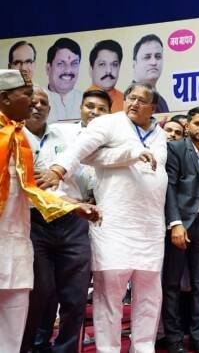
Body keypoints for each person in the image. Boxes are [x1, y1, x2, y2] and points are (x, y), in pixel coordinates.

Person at [39, 82, 167, 352]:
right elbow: (83, 151)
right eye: (130, 97)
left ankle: (143, 347)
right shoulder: (109, 122)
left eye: (142, 101)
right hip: (114, 225)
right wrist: (59, 170)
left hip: (151, 226)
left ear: (153, 108)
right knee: (110, 295)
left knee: (150, 296)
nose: (133, 103)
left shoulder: (160, 134)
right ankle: (108, 349)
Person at [0, 69, 99, 353]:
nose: (33, 102)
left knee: (15, 321)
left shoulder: (17, 137)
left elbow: (30, 188)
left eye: (36, 96)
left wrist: (73, 206)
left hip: (18, 242)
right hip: (19, 233)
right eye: (26, 95)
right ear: (5, 98)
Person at [20, 86, 109, 353]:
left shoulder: (68, 133)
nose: (37, 106)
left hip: (74, 222)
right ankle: (35, 346)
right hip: (34, 222)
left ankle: (66, 348)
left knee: (75, 294)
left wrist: (92, 197)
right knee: (40, 292)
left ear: (50, 107)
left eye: (43, 102)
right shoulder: (13, 137)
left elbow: (87, 164)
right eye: (32, 101)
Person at [163, 106, 199, 353]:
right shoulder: (175, 149)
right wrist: (175, 223)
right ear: (188, 126)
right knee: (172, 283)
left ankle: (198, 337)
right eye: (197, 123)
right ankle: (173, 340)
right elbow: (170, 187)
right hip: (182, 223)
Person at [45, 37, 83, 123]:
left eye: (74, 64)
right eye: (61, 64)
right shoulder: (35, 101)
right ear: (48, 68)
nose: (68, 70)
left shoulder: (87, 101)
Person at [133, 34, 169, 113]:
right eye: (147, 57)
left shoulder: (162, 102)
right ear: (134, 64)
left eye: (158, 56)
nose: (153, 62)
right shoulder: (129, 98)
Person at [87, 40, 125, 112]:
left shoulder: (127, 102)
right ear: (91, 69)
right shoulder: (81, 101)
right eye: (102, 64)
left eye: (114, 64)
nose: (109, 71)